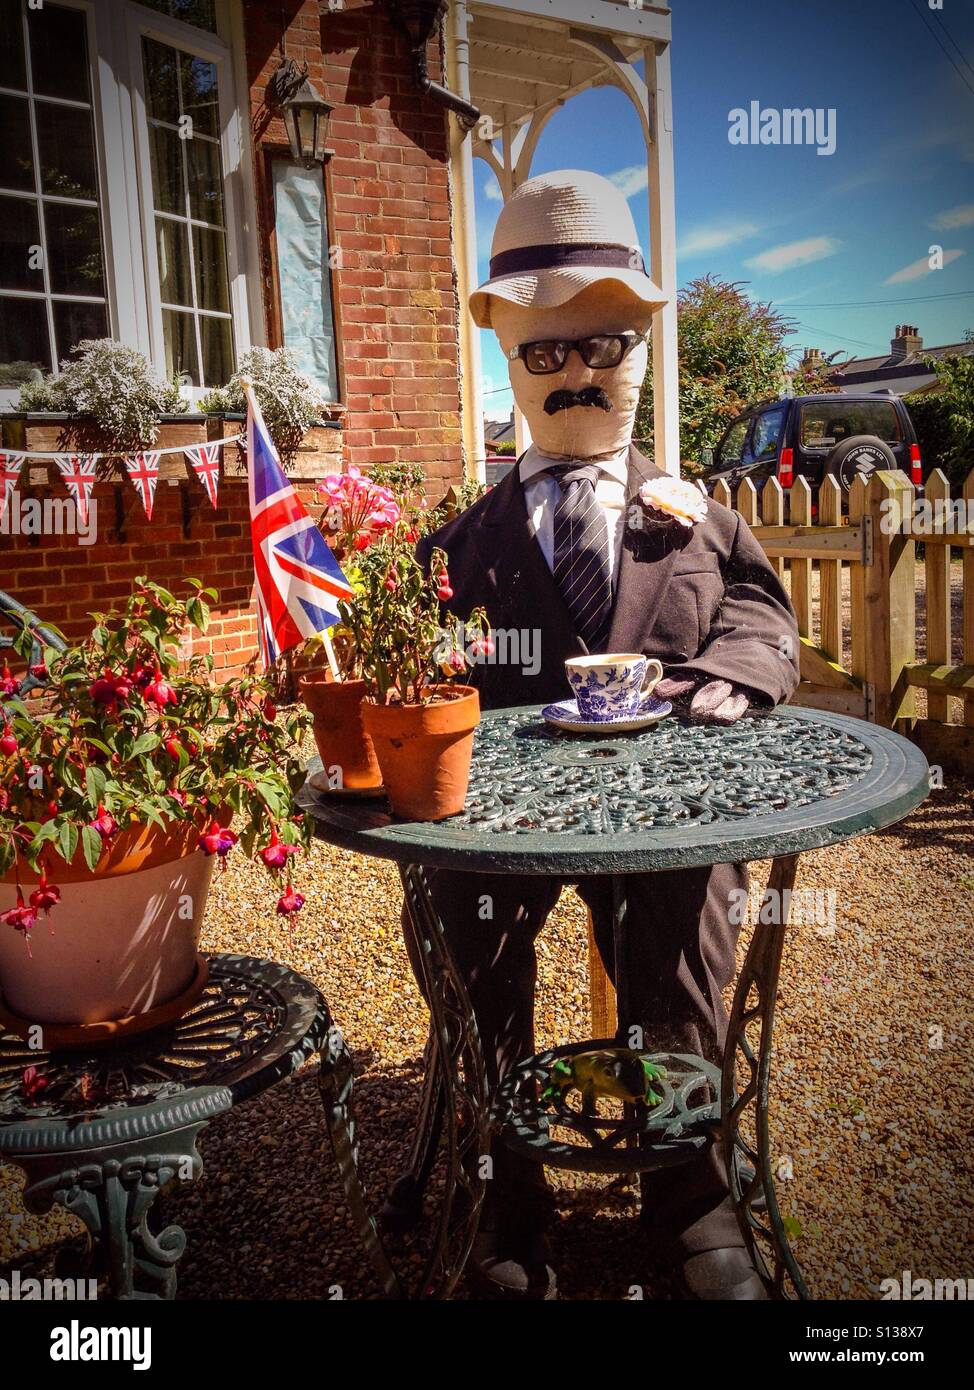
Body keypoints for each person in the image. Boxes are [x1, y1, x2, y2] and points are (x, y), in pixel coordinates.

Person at [414, 169, 800, 1300]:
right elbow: (409, 671)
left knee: (684, 932)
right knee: (463, 937)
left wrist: (737, 668)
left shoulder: (698, 518)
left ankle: (687, 1197)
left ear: (635, 351)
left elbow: (763, 615)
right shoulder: (457, 547)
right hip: (500, 824)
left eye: (602, 349)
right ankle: (507, 1183)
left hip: (664, 809)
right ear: (508, 359)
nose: (577, 373)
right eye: (546, 354)